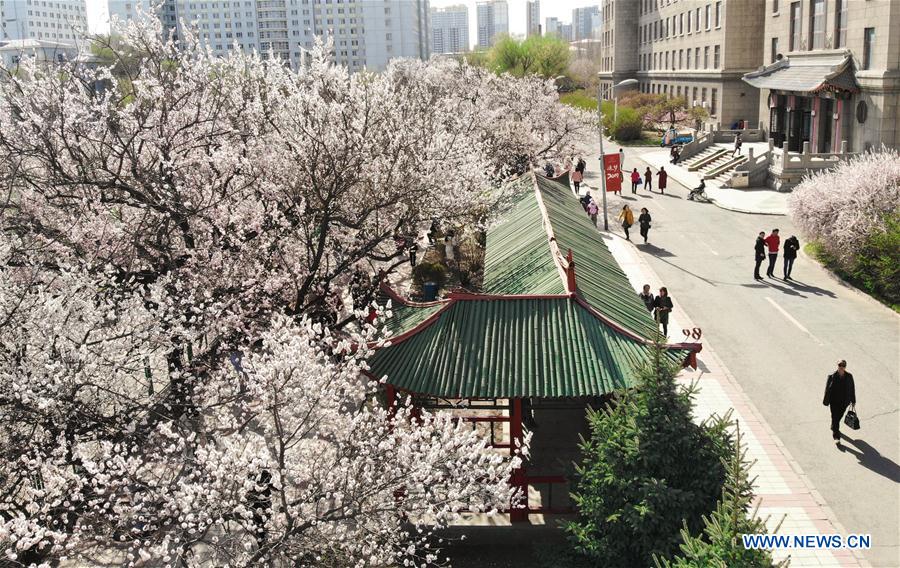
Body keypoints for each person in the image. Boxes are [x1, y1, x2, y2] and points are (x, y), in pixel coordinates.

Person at [823, 360, 856, 444]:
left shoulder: (849, 376)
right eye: (840, 365)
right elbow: (827, 389)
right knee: (835, 417)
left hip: (844, 402)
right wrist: (826, 400)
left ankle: (833, 425)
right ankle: (836, 437)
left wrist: (853, 400)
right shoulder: (831, 376)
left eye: (843, 366)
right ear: (837, 366)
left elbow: (852, 388)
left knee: (838, 417)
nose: (841, 367)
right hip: (833, 401)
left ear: (845, 367)